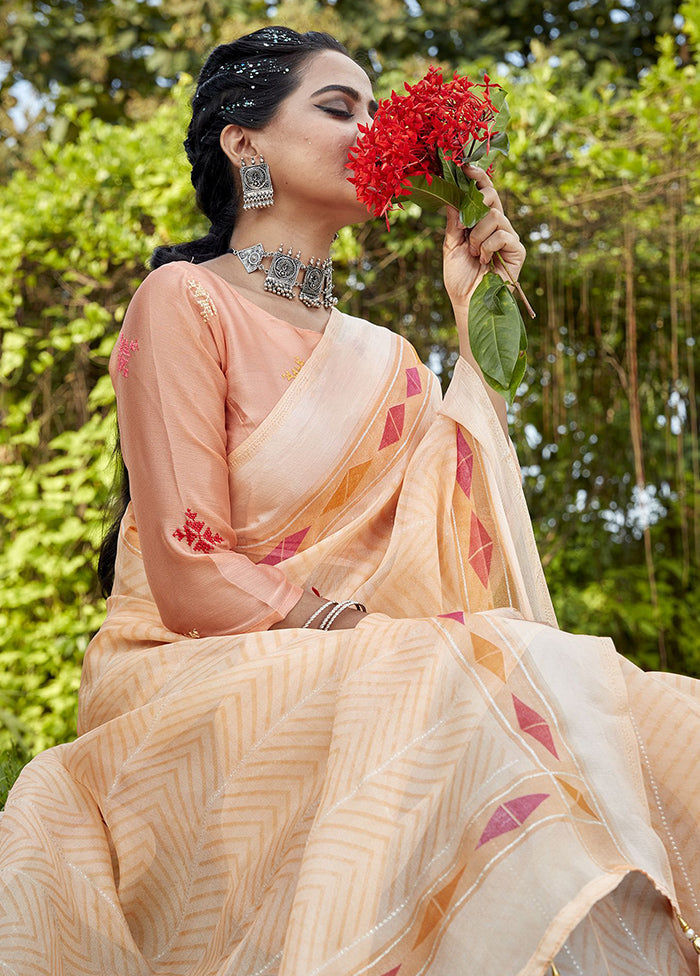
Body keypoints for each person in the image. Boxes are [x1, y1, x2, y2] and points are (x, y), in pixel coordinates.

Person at [1, 24, 699, 976]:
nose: (370, 129)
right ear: (245, 144)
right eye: (338, 108)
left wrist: (474, 313)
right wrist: (356, 626)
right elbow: (191, 572)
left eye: (376, 109)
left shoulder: (392, 363)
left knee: (662, 720)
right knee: (460, 680)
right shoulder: (184, 301)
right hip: (193, 672)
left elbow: (456, 539)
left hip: (373, 667)